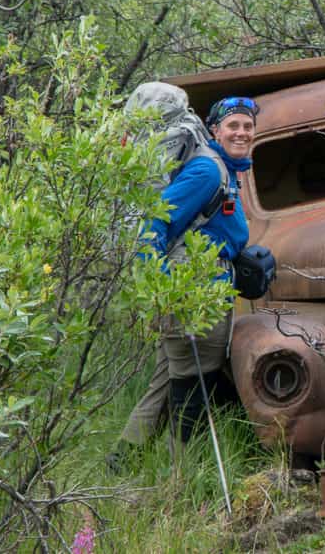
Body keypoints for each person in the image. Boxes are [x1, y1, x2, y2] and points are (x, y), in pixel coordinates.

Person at [109, 96, 257, 469]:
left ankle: (120, 465)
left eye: (247, 126)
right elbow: (154, 223)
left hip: (203, 284)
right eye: (233, 126)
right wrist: (156, 283)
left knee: (163, 388)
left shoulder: (224, 168)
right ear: (214, 130)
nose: (241, 132)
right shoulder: (208, 171)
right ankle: (181, 474)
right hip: (194, 290)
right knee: (194, 387)